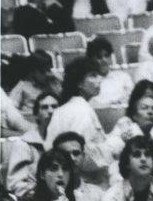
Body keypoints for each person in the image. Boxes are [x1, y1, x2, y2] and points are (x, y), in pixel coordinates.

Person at [45, 57, 111, 187]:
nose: (99, 80)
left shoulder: (63, 109)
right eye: (93, 75)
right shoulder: (82, 111)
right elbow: (83, 156)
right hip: (84, 184)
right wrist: (117, 141)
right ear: (79, 83)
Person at [5, 91, 60, 201]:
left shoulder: (63, 142)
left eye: (54, 107)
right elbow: (16, 184)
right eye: (44, 107)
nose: (50, 111)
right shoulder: (24, 144)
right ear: (36, 114)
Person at [87, 37, 135, 107]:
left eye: (106, 56)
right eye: (99, 57)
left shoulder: (123, 76)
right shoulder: (89, 82)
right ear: (91, 59)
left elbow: (132, 98)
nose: (104, 60)